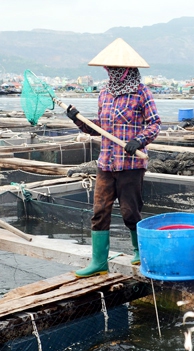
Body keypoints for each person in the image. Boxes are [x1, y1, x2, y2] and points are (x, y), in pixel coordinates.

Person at [65, 38, 161, 278]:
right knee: (99, 211)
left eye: (115, 69)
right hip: (106, 163)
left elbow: (155, 123)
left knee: (130, 211)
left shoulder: (142, 92)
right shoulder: (105, 93)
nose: (111, 73)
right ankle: (99, 262)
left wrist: (140, 140)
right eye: (109, 69)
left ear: (126, 70)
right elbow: (100, 128)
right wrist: (78, 120)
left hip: (131, 164)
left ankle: (139, 251)